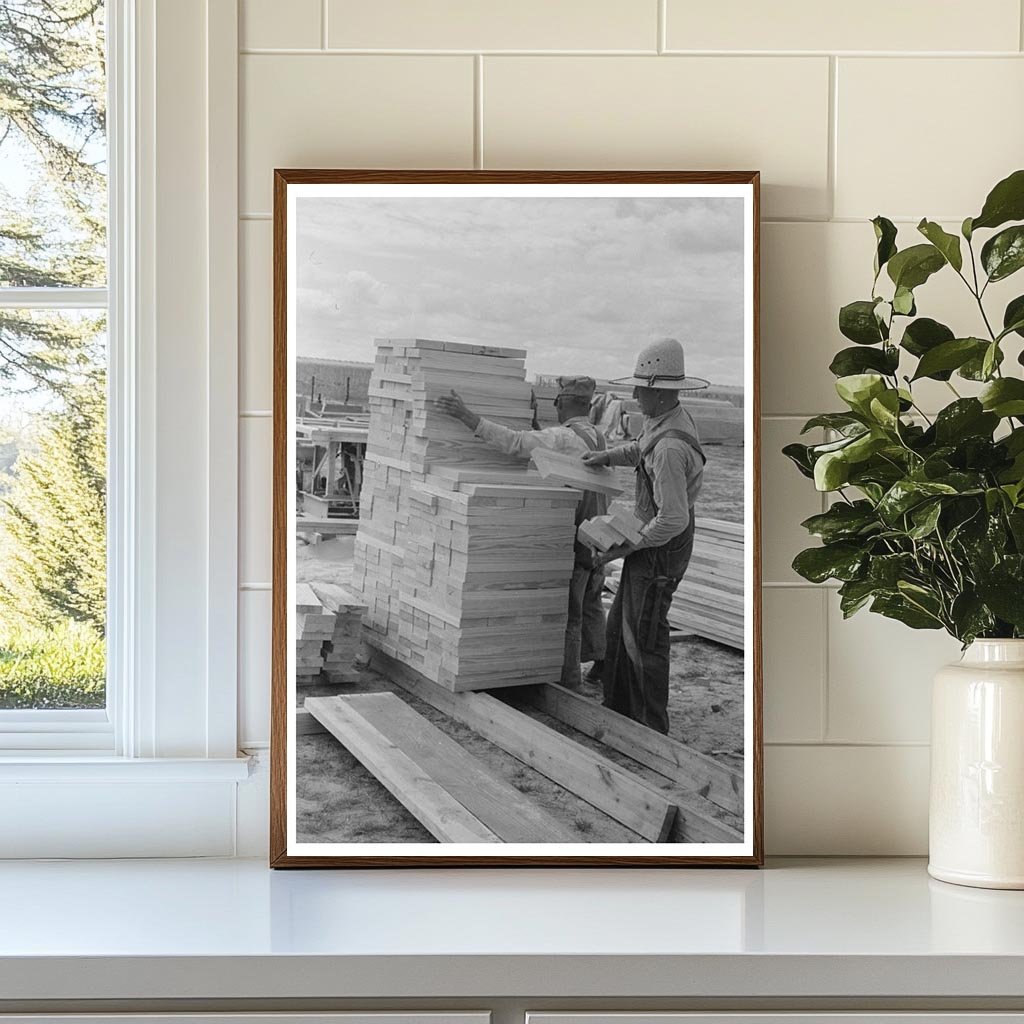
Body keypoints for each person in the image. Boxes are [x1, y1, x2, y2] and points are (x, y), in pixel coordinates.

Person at [435, 376, 608, 689]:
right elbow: (551, 446)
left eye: (556, 403)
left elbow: (517, 443)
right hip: (598, 535)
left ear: (563, 403)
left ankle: (570, 684)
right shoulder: (595, 435)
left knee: (570, 613)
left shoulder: (562, 438)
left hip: (574, 537)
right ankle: (602, 666)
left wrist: (466, 416)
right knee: (591, 601)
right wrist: (535, 423)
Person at [581, 338, 708, 734]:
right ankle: (620, 707)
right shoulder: (666, 419)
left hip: (662, 546)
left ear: (659, 392)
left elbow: (673, 518)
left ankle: (651, 726)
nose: (635, 397)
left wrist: (624, 547)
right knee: (621, 624)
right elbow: (640, 448)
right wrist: (607, 456)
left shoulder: (670, 448)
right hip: (653, 537)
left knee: (645, 634)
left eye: (640, 390)